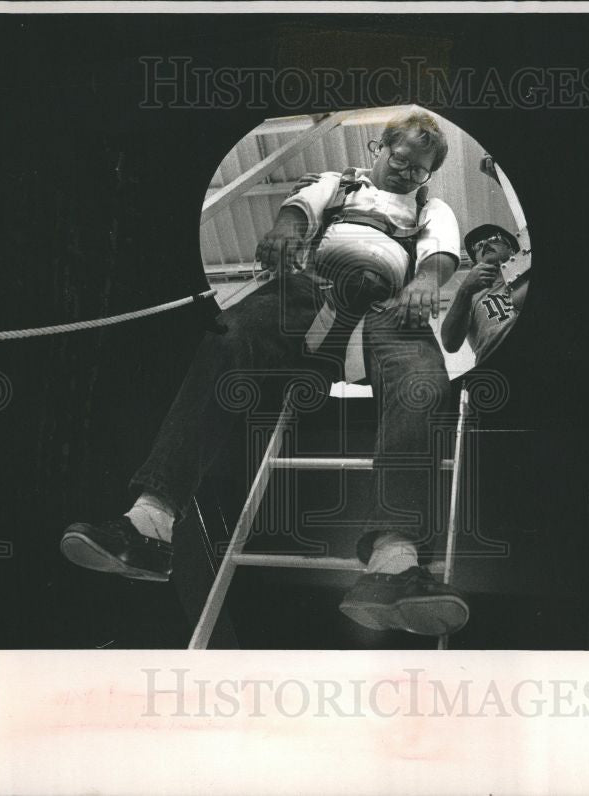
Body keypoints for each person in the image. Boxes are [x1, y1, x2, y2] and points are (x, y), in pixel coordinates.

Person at [60, 110, 471, 638]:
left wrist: (427, 282)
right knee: (227, 338)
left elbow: (440, 253)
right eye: (400, 160)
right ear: (379, 149)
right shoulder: (339, 183)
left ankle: (393, 563)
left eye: (419, 171)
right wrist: (284, 230)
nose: (407, 174)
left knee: (424, 384)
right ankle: (148, 523)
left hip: (389, 307)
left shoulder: (427, 207)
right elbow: (299, 213)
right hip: (311, 289)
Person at [441, 223, 528, 363]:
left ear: (511, 250)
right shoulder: (468, 295)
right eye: (478, 245)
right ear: (475, 263)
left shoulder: (528, 274)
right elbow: (450, 344)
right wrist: (465, 291)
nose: (486, 244)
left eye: (494, 239)